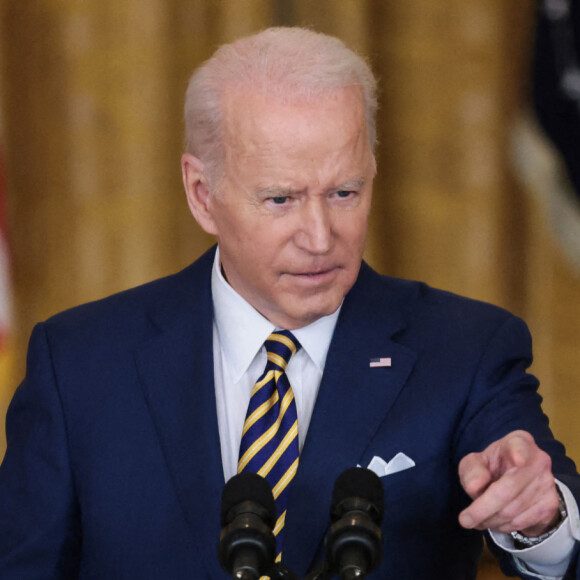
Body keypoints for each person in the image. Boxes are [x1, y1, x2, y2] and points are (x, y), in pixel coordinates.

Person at [0, 27, 579, 580]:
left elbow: (550, 521)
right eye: (281, 199)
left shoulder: (465, 349)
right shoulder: (79, 365)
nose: (321, 237)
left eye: (345, 193)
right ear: (203, 195)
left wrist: (540, 517)